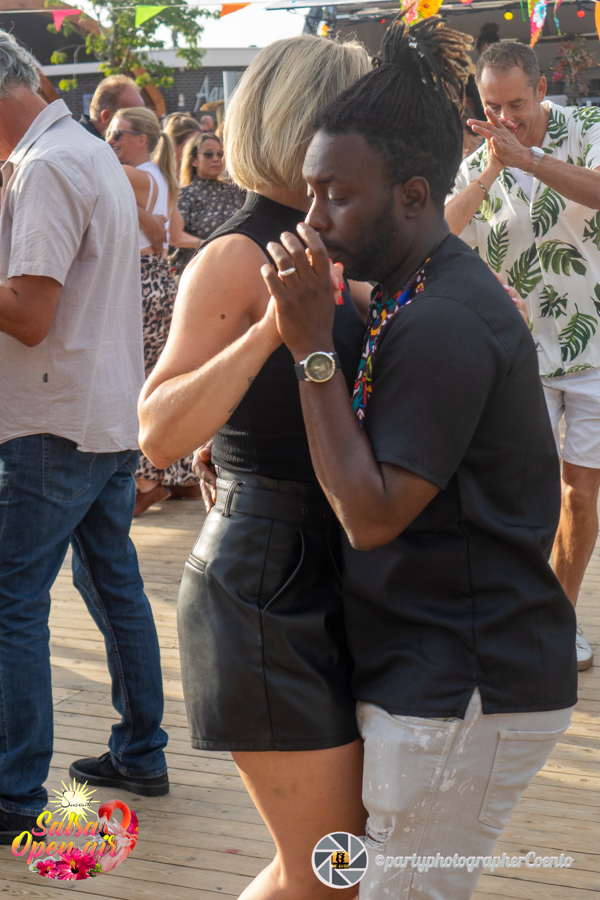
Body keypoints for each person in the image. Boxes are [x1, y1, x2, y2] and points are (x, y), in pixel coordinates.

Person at [262, 15, 577, 900]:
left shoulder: (442, 321)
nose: (313, 218)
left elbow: (370, 517)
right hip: (440, 673)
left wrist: (310, 349)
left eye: (336, 195)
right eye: (310, 192)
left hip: (462, 685)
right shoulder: (419, 294)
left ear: (410, 195)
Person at [138, 35, 371, 900]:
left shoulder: (343, 238)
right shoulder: (239, 254)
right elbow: (157, 430)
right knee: (328, 871)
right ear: (310, 122)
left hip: (337, 572)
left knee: (338, 866)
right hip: (266, 586)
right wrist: (270, 331)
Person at [0, 31, 169, 844]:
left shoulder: (45, 167)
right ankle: (140, 750)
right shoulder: (88, 151)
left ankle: (13, 791)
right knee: (111, 583)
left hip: (50, 417)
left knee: (12, 603)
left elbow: (30, 316)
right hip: (101, 410)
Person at [445, 40, 600, 670]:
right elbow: (440, 235)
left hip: (594, 344)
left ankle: (559, 619)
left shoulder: (589, 127)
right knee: (515, 495)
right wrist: (490, 171)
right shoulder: (479, 159)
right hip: (516, 355)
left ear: (540, 90)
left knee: (579, 496)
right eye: (492, 106)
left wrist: (531, 161)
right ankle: (514, 617)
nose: (504, 117)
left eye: (515, 103)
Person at [106, 108, 202, 514]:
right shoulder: (162, 179)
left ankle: (146, 480)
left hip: (137, 281)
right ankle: (177, 475)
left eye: (118, 134)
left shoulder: (132, 175)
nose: (110, 141)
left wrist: (138, 213)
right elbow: (175, 234)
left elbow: (90, 170)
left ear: (142, 139)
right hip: (160, 280)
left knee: (136, 382)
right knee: (158, 378)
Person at [80, 74, 167, 257]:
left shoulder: (132, 164)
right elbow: (79, 188)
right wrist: (143, 216)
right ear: (107, 118)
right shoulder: (81, 146)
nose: (141, 119)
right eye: (134, 114)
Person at [169, 131, 245, 282]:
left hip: (234, 267)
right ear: (194, 161)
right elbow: (173, 235)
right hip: (198, 271)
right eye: (208, 154)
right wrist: (204, 244)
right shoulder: (184, 194)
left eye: (220, 154)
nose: (216, 159)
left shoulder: (236, 190)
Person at [162, 113, 201, 177]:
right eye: (192, 144)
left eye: (200, 144)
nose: (198, 150)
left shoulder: (198, 174)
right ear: (174, 145)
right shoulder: (157, 175)